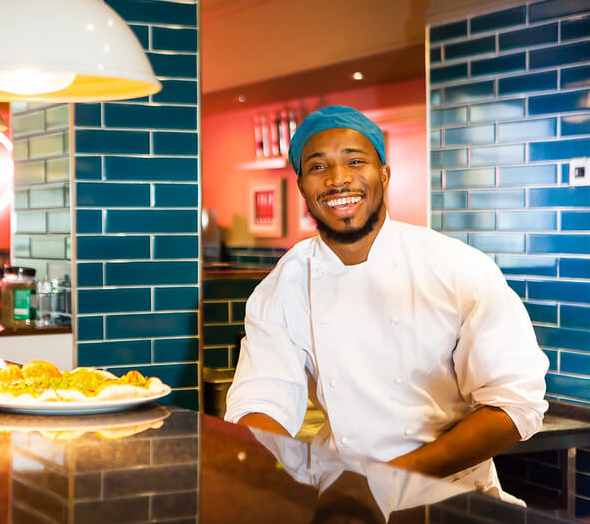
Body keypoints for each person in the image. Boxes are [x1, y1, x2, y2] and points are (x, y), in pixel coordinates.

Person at [224, 105, 549, 485]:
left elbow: (515, 405)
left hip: (451, 497)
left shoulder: (457, 268)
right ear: (301, 186)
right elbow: (261, 401)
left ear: (384, 174)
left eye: (355, 161)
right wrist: (274, 481)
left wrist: (390, 481)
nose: (337, 179)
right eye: (317, 167)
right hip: (341, 495)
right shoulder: (286, 284)